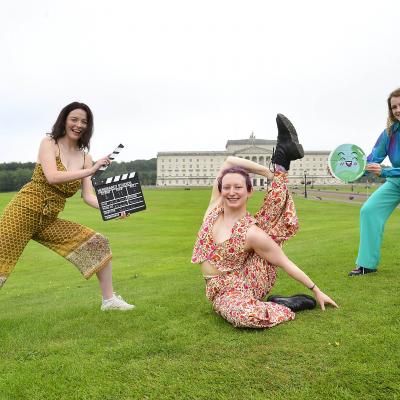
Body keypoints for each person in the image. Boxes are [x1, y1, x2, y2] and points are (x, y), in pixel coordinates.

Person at [191, 114, 338, 328]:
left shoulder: (252, 232)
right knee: (265, 223)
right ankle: (281, 161)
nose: (232, 192)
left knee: (246, 317)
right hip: (220, 285)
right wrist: (269, 173)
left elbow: (284, 262)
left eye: (239, 187)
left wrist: (315, 290)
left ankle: (288, 304)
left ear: (249, 191)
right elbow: (230, 162)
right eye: (227, 187)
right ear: (220, 189)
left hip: (246, 282)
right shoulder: (214, 209)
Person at [0, 102, 134, 310]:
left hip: (49, 218)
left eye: (84, 121)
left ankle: (109, 301)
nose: (79, 124)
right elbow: (53, 177)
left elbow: (88, 196)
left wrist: (112, 208)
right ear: (64, 120)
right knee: (1, 262)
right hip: (24, 210)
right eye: (74, 119)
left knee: (99, 243)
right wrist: (90, 170)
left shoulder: (85, 157)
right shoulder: (49, 143)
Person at [349, 88, 400, 276]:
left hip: (393, 176)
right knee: (369, 211)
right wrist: (343, 169)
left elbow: (383, 170)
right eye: (394, 106)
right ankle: (367, 264)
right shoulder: (390, 132)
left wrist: (386, 171)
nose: (397, 110)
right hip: (396, 183)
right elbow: (372, 160)